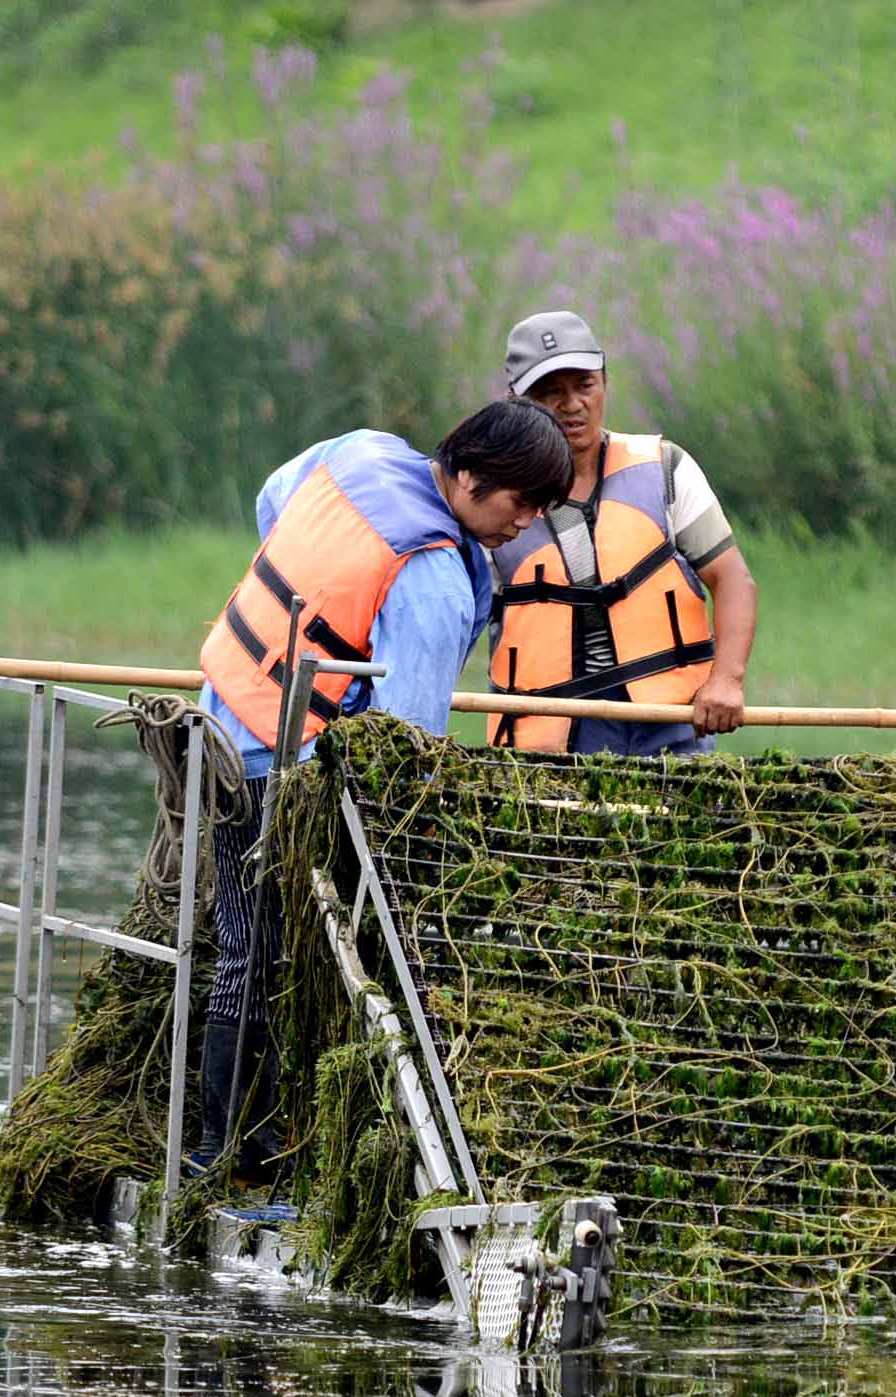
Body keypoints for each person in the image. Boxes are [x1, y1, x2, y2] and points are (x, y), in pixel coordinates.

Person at [182, 403, 572, 1176]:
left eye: (540, 511)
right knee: (266, 954)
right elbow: (405, 744)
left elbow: (272, 499)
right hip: (276, 767)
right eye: (517, 503)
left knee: (246, 945)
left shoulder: (363, 453)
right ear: (467, 477)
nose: (523, 525)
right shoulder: (430, 573)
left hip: (221, 713)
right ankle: (221, 1158)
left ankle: (233, 1149)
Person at [484, 309, 761, 755]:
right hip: (548, 745)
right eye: (549, 392)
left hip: (669, 723)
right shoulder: (489, 500)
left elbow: (733, 580)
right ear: (514, 400)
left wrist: (726, 680)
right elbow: (454, 622)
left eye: (584, 386)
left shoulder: (667, 469)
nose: (571, 405)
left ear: (605, 383)